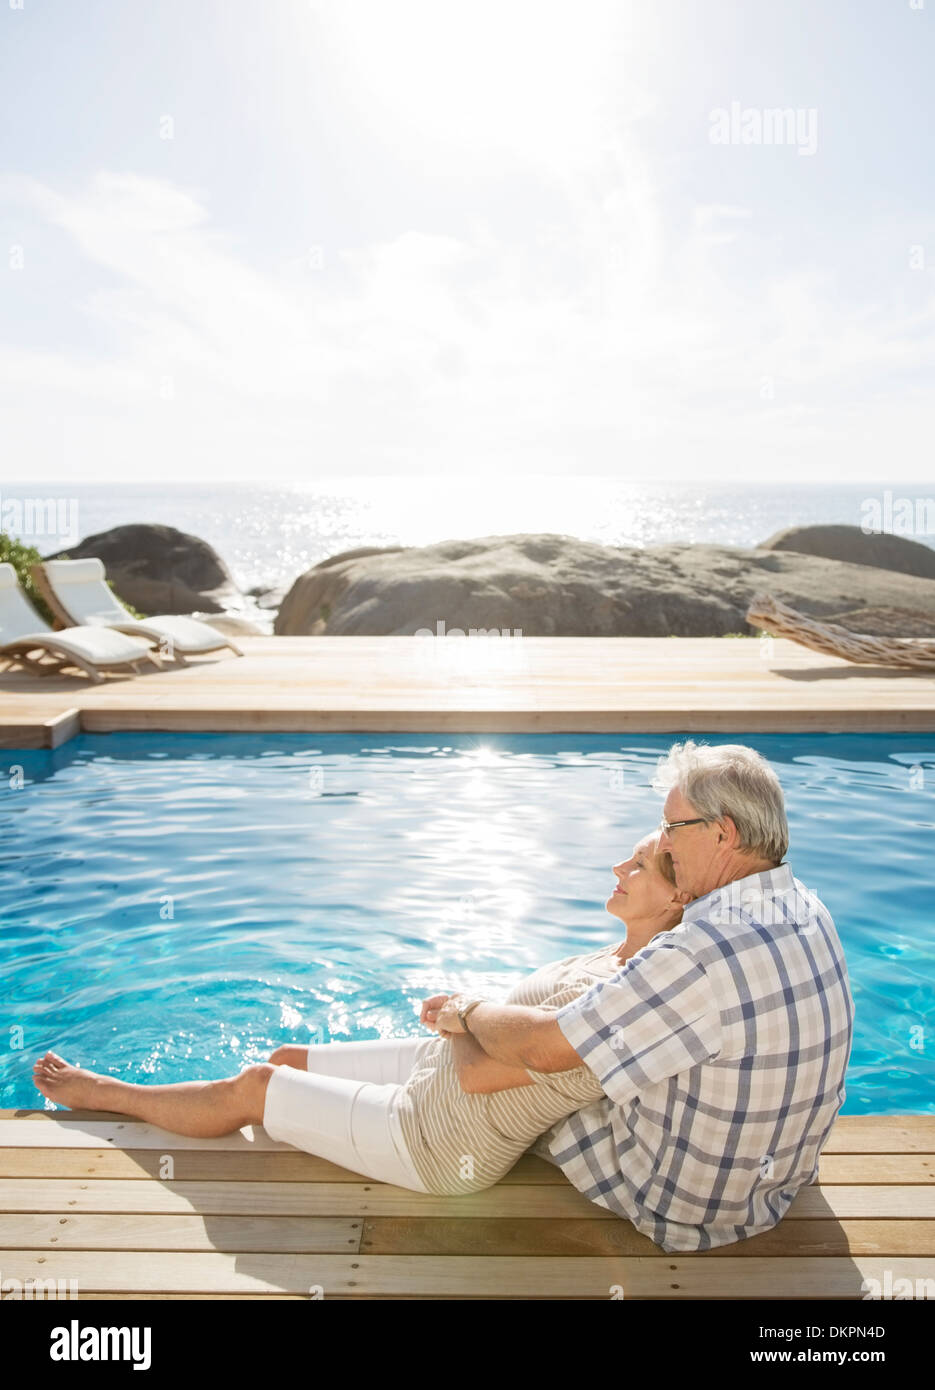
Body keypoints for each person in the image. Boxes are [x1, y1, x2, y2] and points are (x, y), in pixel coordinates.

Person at [31, 829, 691, 1197]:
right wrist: (460, 1023)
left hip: (438, 1142)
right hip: (437, 1073)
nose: (617, 866)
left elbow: (478, 1080)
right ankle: (288, 1114)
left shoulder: (618, 1007)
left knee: (256, 1087)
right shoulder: (619, 953)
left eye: (637, 866)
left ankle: (107, 1094)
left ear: (672, 900)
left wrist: (461, 1018)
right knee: (285, 1061)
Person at [432, 740, 855, 1252]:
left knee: (547, 1084)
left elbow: (542, 1048)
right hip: (773, 1188)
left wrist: (468, 1011)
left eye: (673, 828)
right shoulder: (807, 908)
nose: (666, 846)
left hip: (684, 1208)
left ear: (724, 833)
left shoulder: (699, 950)